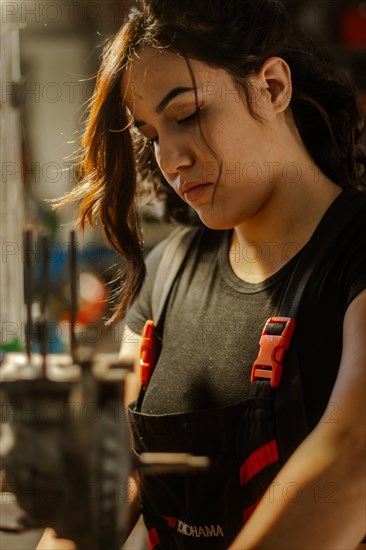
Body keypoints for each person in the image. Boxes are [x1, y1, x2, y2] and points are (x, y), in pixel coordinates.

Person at [37, 0, 366, 548]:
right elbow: (111, 472)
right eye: (151, 133)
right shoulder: (167, 273)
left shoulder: (353, 252)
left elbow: (352, 453)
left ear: (273, 87)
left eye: (187, 115)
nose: (169, 158)